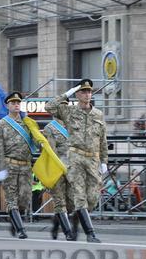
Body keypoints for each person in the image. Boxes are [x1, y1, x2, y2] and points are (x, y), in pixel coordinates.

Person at [46, 78, 108, 243]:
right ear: (78, 94)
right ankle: (90, 233)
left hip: (93, 158)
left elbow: (103, 139)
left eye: (89, 91)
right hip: (76, 157)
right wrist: (68, 93)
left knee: (93, 198)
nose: (87, 94)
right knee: (79, 195)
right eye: (83, 91)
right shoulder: (70, 111)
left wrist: (104, 161)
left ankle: (76, 222)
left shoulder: (98, 114)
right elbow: (49, 107)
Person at [0, 91, 32, 239]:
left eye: (18, 103)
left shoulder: (27, 122)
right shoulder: (1, 124)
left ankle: (14, 219)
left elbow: (34, 141)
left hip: (25, 165)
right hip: (10, 164)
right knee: (11, 198)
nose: (16, 105)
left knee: (24, 198)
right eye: (13, 103)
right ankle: (21, 229)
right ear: (7, 105)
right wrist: (1, 168)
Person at [43, 110, 76, 240]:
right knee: (59, 201)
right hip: (58, 169)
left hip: (73, 170)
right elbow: (51, 152)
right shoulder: (49, 128)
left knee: (71, 202)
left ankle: (56, 225)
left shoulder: (73, 126)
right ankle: (68, 232)